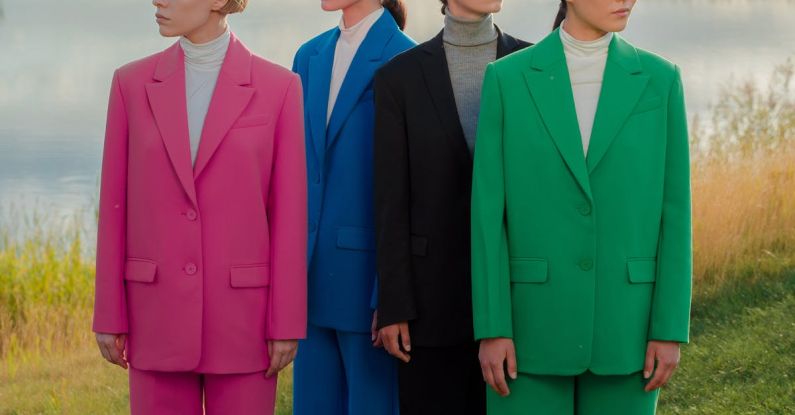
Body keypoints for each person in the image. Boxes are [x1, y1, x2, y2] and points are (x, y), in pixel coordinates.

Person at [471, 0, 692, 413]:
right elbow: (487, 215)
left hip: (628, 326)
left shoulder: (661, 80)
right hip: (528, 328)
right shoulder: (506, 79)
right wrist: (492, 327)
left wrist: (669, 328)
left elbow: (676, 214)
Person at [92, 0, 307, 413]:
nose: (158, 1)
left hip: (244, 322)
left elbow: (288, 217)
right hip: (155, 317)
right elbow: (114, 209)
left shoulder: (280, 87)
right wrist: (109, 313)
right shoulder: (129, 85)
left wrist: (286, 322)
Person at [372, 0, 529, 414]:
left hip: (520, 301)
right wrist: (393, 305)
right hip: (429, 306)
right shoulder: (397, 78)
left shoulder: (535, 66)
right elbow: (391, 201)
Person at [291, 1, 415, 414]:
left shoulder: (406, 57)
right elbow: (295, 170)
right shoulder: (308, 56)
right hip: (306, 279)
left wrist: (391, 293)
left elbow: (408, 188)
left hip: (367, 286)